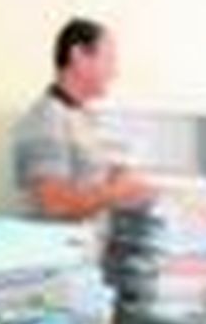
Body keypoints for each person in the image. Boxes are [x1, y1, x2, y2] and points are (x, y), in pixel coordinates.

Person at [10, 18, 154, 220]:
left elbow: (86, 178)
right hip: (57, 248)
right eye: (109, 59)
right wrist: (118, 191)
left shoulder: (79, 116)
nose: (114, 72)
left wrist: (117, 174)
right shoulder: (46, 119)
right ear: (78, 56)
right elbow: (55, 204)